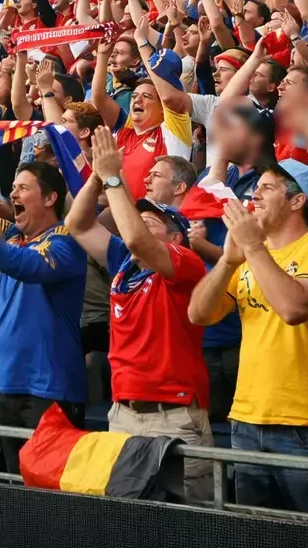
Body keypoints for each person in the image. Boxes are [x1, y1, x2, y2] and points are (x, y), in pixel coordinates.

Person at [187, 161, 308, 515]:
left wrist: (253, 248)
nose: (254, 195)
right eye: (255, 187)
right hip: (247, 418)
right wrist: (230, 262)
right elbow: (198, 314)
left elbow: (293, 309)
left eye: (267, 188)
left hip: (307, 423)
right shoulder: (248, 256)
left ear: (296, 202)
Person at [66, 127, 212, 502]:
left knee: (188, 522)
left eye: (151, 222)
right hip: (124, 411)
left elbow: (134, 238)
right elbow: (78, 225)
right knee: (130, 520)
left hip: (174, 414)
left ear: (175, 237)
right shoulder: (124, 263)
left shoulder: (186, 262)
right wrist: (99, 175)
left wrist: (115, 177)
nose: (139, 222)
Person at [0, 141, 86, 468]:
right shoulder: (14, 236)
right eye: (12, 187)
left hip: (50, 389)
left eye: (23, 188)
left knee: (49, 491)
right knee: (17, 487)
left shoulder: (66, 242)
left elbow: (29, 267)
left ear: (50, 198)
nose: (13, 195)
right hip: (9, 384)